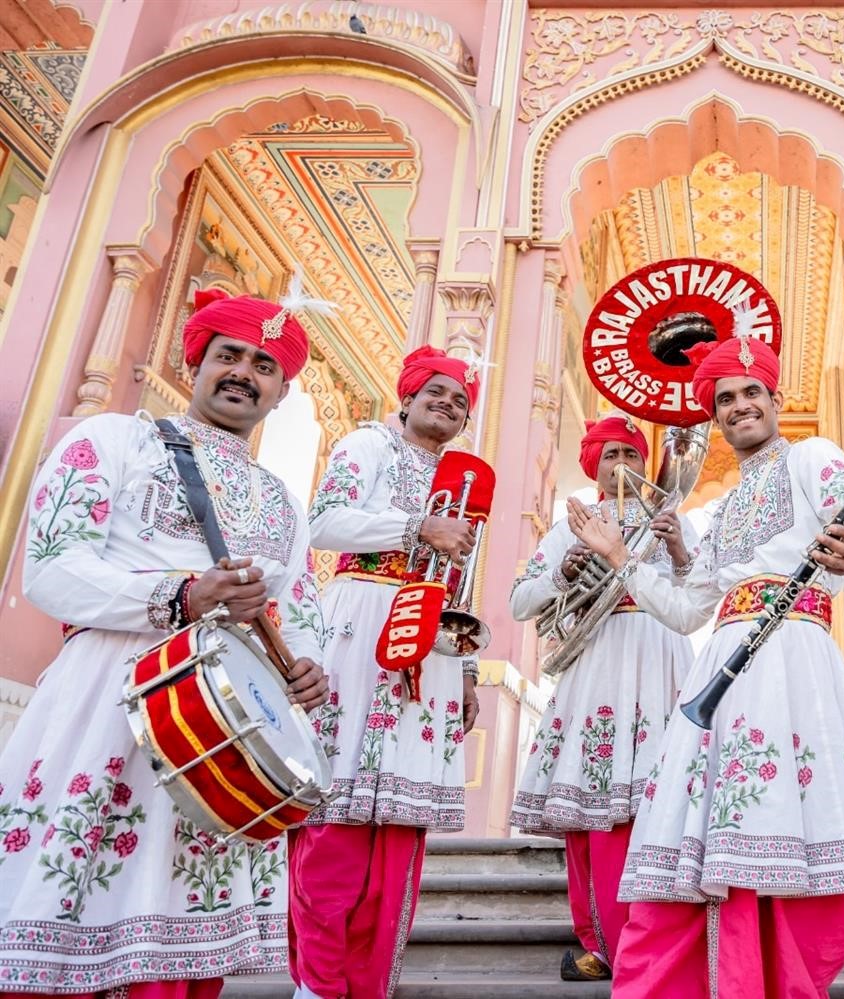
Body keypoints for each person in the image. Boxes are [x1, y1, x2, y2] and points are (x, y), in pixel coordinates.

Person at [567, 329, 844, 999]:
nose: (738, 406)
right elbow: (682, 609)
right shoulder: (723, 505)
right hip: (723, 665)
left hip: (797, 658)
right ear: (716, 414)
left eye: (750, 393)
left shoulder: (813, 455)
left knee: (790, 828)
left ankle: (783, 976)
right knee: (707, 836)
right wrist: (620, 559)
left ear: (774, 398)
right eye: (725, 398)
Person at [0, 287, 330, 996]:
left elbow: (298, 610)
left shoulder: (284, 501)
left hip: (227, 734)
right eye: (229, 355)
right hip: (110, 702)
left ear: (282, 388)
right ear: (198, 362)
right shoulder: (111, 439)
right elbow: (53, 571)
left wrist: (306, 667)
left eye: (264, 364)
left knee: (180, 953)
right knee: (65, 905)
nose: (244, 371)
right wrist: (180, 596)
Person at [287, 346, 483, 999]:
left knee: (399, 823)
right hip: (363, 620)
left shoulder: (463, 480)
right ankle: (318, 981)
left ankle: (369, 982)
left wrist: (468, 668)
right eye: (436, 392)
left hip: (431, 645)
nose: (448, 404)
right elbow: (323, 523)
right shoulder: (368, 444)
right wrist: (414, 526)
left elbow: (460, 579)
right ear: (406, 398)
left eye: (459, 400)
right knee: (338, 809)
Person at [510, 414, 698, 982]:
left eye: (633, 454)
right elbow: (521, 603)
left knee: (659, 810)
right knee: (594, 815)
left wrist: (682, 552)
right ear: (593, 463)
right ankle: (602, 942)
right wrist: (562, 575)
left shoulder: (671, 520)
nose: (623, 463)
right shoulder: (569, 527)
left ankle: (661, 942)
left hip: (662, 659)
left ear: (646, 463)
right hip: (596, 666)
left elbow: (698, 604)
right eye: (611, 453)